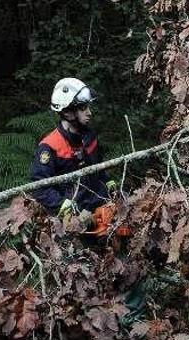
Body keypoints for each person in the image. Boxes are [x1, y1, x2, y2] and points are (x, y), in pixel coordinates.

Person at [29, 77, 118, 230]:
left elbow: (98, 167)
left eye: (88, 107)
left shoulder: (90, 136)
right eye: (83, 108)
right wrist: (63, 205)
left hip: (100, 210)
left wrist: (108, 182)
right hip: (74, 221)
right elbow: (39, 187)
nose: (89, 113)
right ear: (68, 112)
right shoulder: (49, 147)